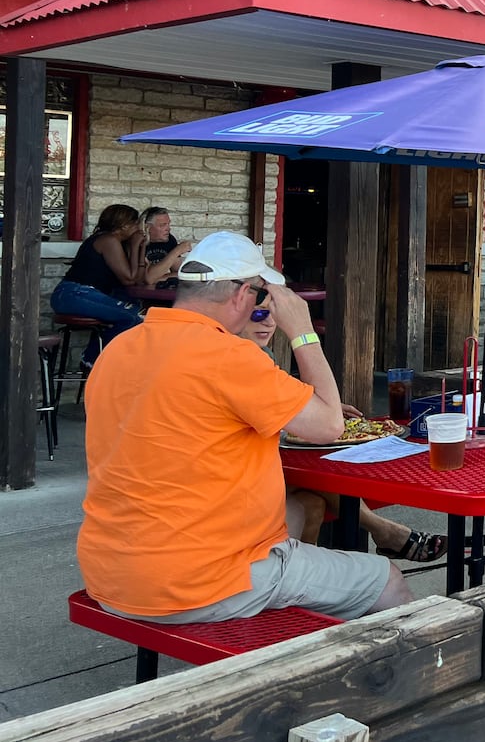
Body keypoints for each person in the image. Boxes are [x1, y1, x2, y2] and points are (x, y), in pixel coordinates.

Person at [77, 232, 410, 622]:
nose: (262, 306)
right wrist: (302, 331)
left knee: (302, 509)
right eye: (261, 295)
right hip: (197, 582)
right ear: (240, 294)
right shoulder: (228, 355)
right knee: (388, 581)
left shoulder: (120, 346)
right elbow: (329, 425)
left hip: (112, 572)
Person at [241, 299, 445, 564]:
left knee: (314, 503)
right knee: (321, 479)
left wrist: (324, 407)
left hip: (270, 471)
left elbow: (281, 401)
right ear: (234, 308)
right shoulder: (235, 357)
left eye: (274, 314)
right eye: (258, 313)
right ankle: (386, 532)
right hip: (243, 483)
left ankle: (307, 579)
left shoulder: (262, 354)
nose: (269, 322)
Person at [50, 203, 146, 365]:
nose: (138, 229)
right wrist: (136, 245)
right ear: (124, 226)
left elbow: (137, 279)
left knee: (136, 313)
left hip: (80, 294)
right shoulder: (108, 240)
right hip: (74, 294)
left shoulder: (113, 242)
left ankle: (99, 358)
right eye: (136, 224)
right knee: (133, 316)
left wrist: (140, 248)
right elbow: (129, 279)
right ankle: (92, 358)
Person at [140, 207, 193, 288]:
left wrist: (159, 278)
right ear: (147, 227)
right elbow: (148, 279)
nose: (168, 228)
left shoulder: (169, 240)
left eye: (168, 224)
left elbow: (180, 274)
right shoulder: (139, 242)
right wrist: (177, 250)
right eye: (162, 225)